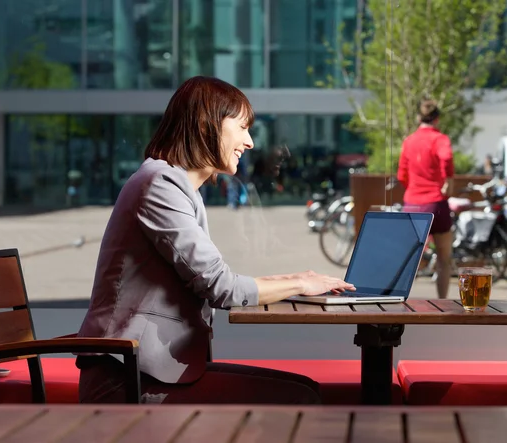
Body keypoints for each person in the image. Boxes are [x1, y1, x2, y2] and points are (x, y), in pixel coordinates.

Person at [75, 76, 356, 404]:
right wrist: (299, 283)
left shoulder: (175, 186)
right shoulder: (159, 185)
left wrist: (301, 279)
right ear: (208, 125)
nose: (249, 142)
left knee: (307, 391)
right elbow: (223, 288)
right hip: (127, 383)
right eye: (242, 128)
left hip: (150, 372)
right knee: (299, 399)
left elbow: (217, 281)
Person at [397, 98, 454, 299]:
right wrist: (447, 178)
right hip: (436, 202)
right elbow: (446, 157)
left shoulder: (409, 141)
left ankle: (399, 301)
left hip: (413, 204)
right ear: (437, 119)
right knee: (444, 259)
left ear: (418, 118)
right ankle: (442, 303)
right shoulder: (440, 139)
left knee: (408, 259)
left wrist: (412, 190)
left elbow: (401, 175)